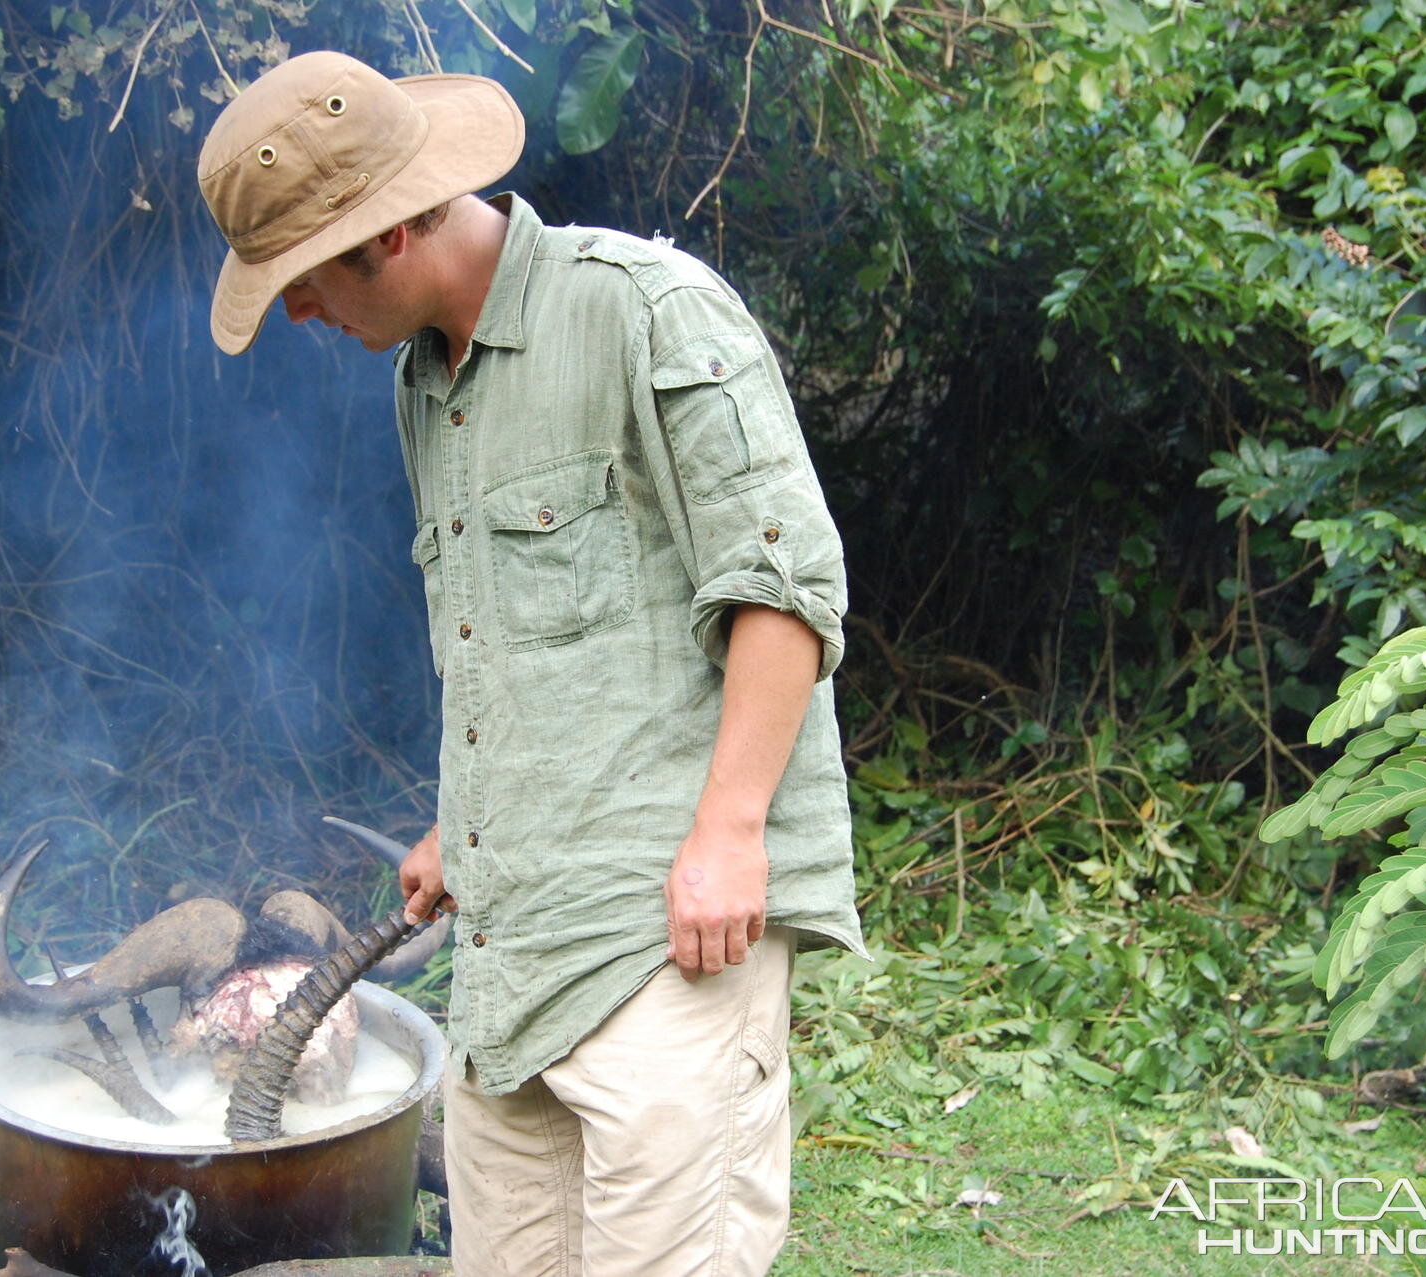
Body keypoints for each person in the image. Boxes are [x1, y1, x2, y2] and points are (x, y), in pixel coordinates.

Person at [197, 51, 867, 1275]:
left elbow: (786, 587)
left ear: (390, 233)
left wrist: (730, 831)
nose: (296, 313)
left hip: (670, 934)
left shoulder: (645, 308)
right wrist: (470, 824)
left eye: (300, 280)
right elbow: (516, 647)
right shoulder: (423, 386)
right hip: (515, 957)